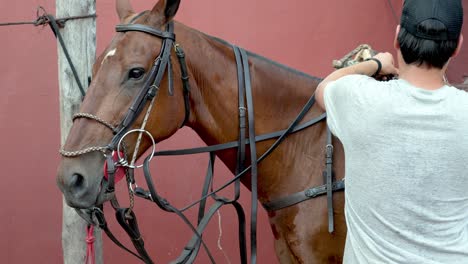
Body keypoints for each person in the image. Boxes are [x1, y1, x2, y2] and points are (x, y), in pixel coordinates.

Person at [315, 0, 466, 263]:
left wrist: (374, 64)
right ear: (457, 46)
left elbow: (324, 88)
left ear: (397, 38)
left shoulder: (358, 98)